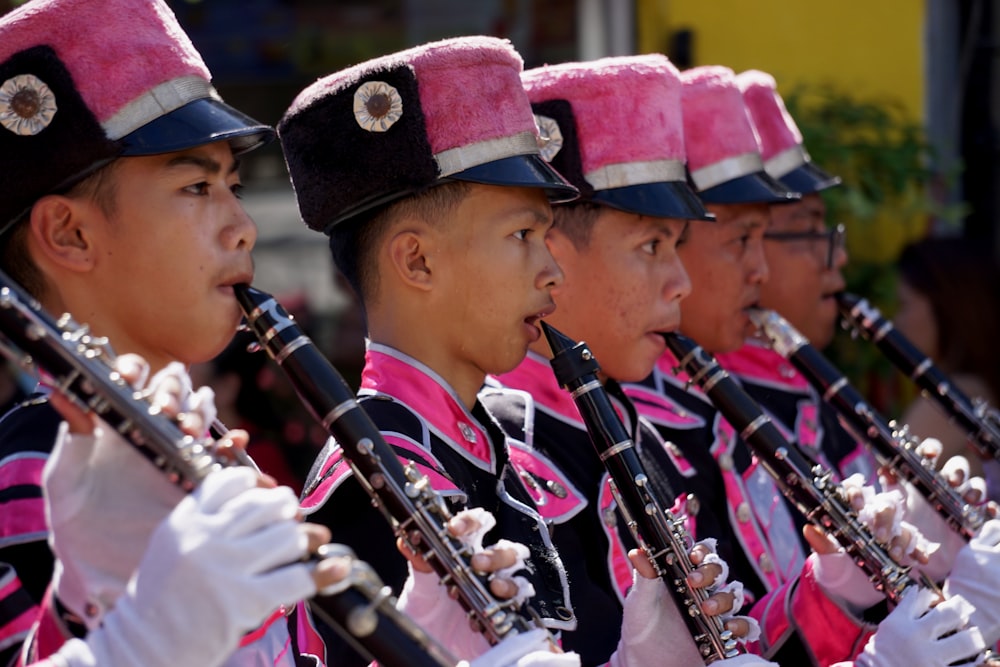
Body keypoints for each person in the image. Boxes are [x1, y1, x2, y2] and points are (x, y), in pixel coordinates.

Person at [279, 37, 750, 667]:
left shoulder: (477, 440)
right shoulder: (381, 473)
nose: (552, 269)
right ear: (417, 260)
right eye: (524, 234)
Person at [619, 65, 984, 666]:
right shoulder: (655, 413)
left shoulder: (780, 390)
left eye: (771, 236)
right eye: (743, 239)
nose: (759, 270)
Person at [481, 54, 768, 667]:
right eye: (651, 246)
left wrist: (829, 600)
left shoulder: (621, 416)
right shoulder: (508, 449)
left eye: (676, 246)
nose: (680, 283)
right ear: (551, 256)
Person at [894, 236, 1000, 487]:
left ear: (945, 305)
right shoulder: (979, 388)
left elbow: (881, 486)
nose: (898, 322)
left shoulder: (956, 397)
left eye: (904, 305)